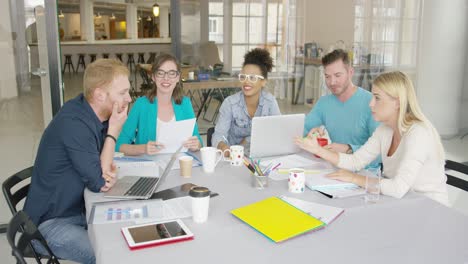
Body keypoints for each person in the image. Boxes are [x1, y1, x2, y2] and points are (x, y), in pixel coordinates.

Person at [23, 59, 132, 263]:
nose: (128, 98)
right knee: (115, 255)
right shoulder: (74, 124)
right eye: (122, 92)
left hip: (76, 210)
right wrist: (114, 132)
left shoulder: (91, 114)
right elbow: (101, 182)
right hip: (50, 225)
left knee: (129, 230)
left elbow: (103, 172)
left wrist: (110, 133)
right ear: (100, 94)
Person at [295, 71, 449, 206]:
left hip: (430, 207)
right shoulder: (385, 130)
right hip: (403, 202)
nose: (370, 104)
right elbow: (356, 161)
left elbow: (397, 188)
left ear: (397, 102)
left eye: (377, 98)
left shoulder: (418, 134)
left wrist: (356, 179)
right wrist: (317, 149)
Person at [304, 49, 380, 168]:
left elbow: (382, 152)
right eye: (327, 77)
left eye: (337, 75)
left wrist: (348, 148)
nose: (332, 82)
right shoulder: (324, 103)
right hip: (335, 168)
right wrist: (310, 135)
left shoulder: (371, 103)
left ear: (350, 72)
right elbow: (302, 132)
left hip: (366, 172)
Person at [116, 53, 202, 155]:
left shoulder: (185, 104)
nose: (166, 78)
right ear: (153, 77)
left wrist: (196, 145)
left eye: (171, 73)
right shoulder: (141, 104)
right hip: (148, 167)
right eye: (160, 73)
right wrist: (143, 149)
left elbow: (199, 142)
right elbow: (119, 145)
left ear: (178, 77)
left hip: (178, 165)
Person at [212, 48, 280, 155]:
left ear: (263, 82)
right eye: (243, 77)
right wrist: (223, 146)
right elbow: (218, 135)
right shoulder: (230, 103)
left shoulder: (270, 103)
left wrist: (247, 140)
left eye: (252, 78)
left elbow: (277, 134)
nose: (246, 81)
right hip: (233, 160)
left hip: (262, 157)